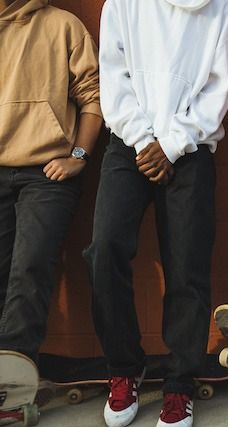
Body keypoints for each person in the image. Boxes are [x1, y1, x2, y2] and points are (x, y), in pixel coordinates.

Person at [85, 0, 228, 426]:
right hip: (128, 142)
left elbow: (218, 87)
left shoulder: (218, 10)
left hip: (190, 149)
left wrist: (171, 144)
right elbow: (113, 76)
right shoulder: (123, 4)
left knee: (187, 265)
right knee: (104, 250)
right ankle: (124, 367)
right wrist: (142, 138)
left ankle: (179, 385)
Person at [0, 0, 102, 364]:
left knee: (30, 271)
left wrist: (78, 156)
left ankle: (11, 382)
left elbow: (94, 97)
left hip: (46, 173)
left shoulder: (63, 25)